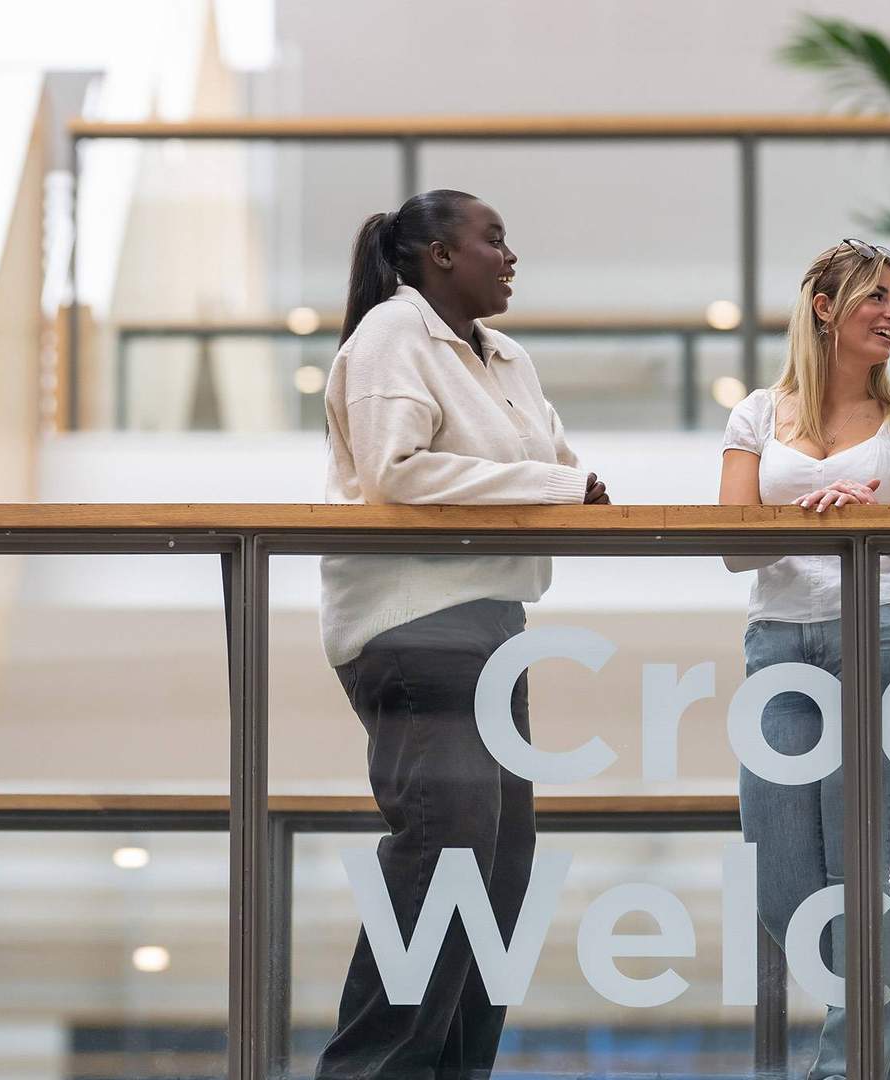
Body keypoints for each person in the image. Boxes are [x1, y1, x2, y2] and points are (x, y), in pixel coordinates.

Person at [316, 188, 609, 1080]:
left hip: (494, 624)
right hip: (413, 623)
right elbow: (394, 473)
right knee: (446, 854)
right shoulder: (391, 339)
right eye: (493, 240)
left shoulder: (507, 356)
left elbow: (559, 466)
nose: (510, 256)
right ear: (438, 255)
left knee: (499, 879)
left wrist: (556, 485)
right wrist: (555, 489)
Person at [719, 239, 890, 1080]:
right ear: (824, 307)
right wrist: (807, 518)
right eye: (877, 298)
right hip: (778, 644)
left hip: (884, 635)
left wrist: (862, 519)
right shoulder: (755, 414)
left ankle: (844, 1063)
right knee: (786, 880)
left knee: (856, 866)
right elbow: (732, 550)